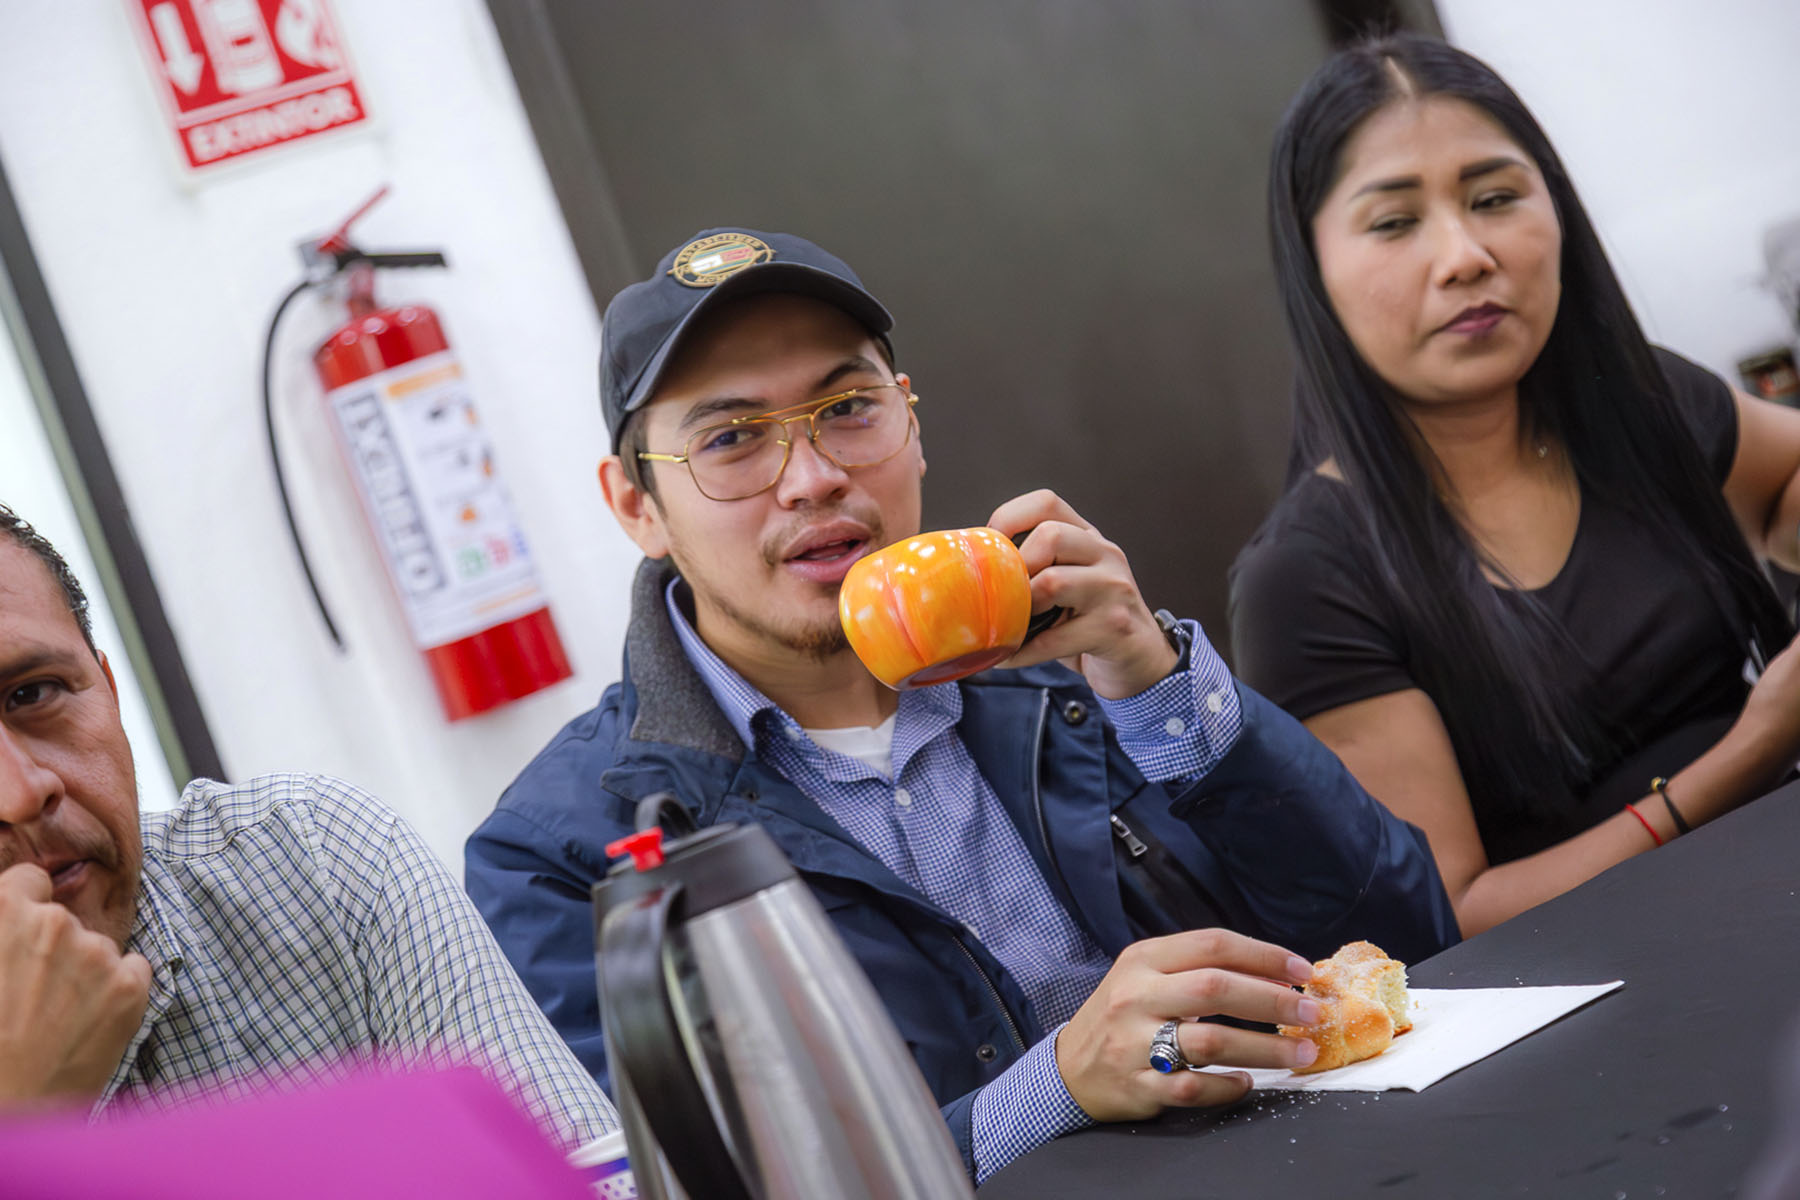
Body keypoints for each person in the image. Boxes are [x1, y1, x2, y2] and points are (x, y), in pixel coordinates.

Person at [464, 227, 1457, 1182]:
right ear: (637, 505)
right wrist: (1054, 1089)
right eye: (731, 439)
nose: (814, 478)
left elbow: (1411, 940)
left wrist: (1155, 680)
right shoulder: (564, 854)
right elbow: (701, 1185)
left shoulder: (1064, 677)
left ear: (912, 424)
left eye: (849, 409)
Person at [1230, 33, 1800, 939]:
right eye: (1394, 222)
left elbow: (1787, 478)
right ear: (1315, 270)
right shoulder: (1306, 579)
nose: (1464, 256)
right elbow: (1457, 920)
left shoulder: (1639, 403)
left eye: (1495, 199)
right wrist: (1758, 747)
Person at [0, 504, 616, 1150]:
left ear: (109, 691)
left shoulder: (314, 860)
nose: (19, 793)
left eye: (32, 694)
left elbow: (574, 1176)